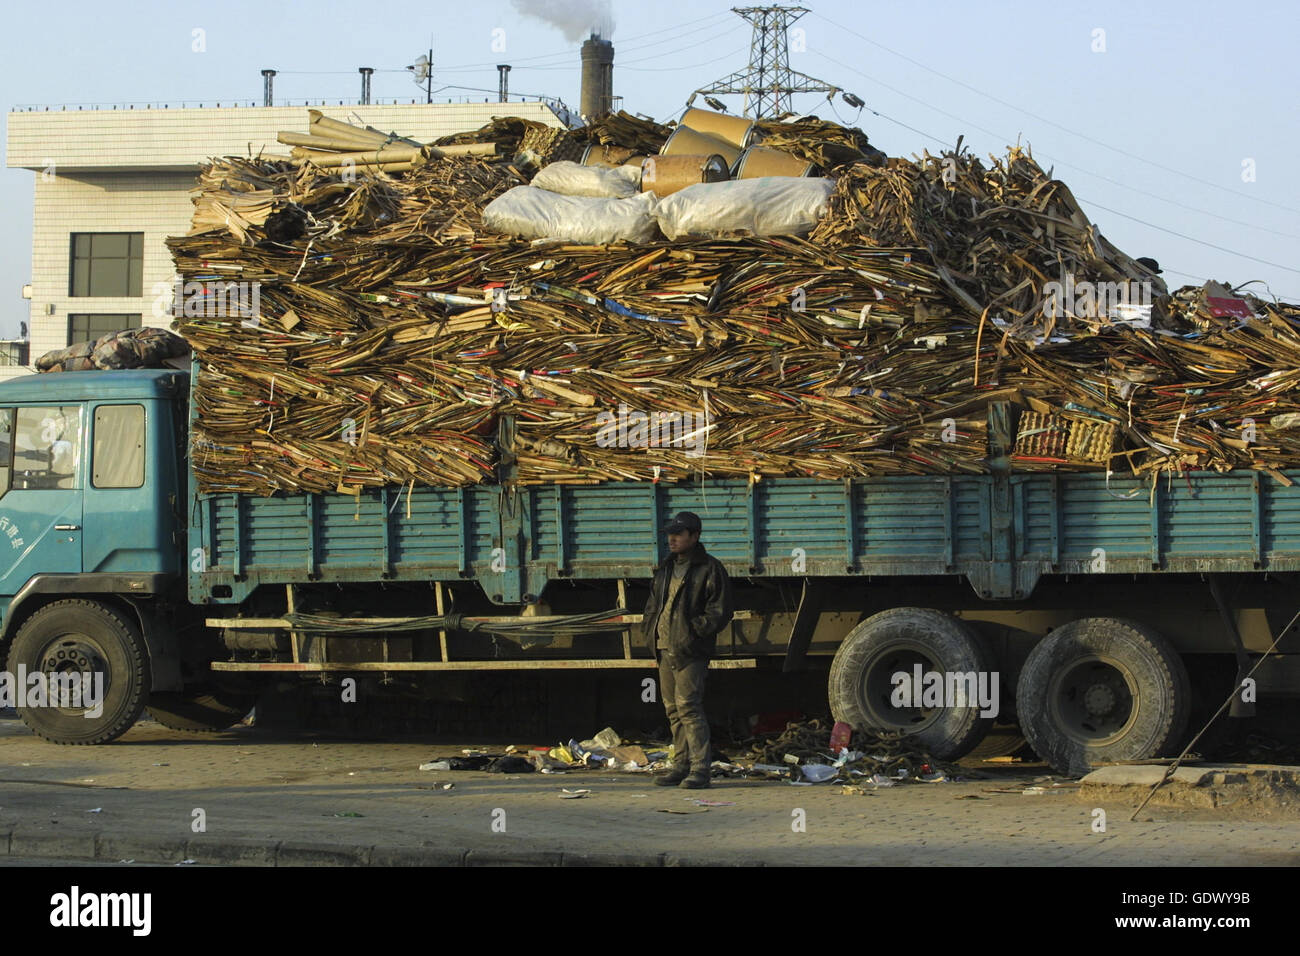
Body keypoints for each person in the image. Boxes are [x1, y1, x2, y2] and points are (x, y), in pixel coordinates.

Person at [642, 511, 734, 789]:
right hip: (664, 647)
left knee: (688, 707)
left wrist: (694, 632)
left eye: (679, 534)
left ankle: (700, 770)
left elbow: (720, 611)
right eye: (670, 533)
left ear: (694, 536)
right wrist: (649, 629)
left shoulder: (709, 568)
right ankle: (680, 765)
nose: (672, 539)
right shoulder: (666, 567)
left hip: (690, 650)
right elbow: (653, 605)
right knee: (672, 709)